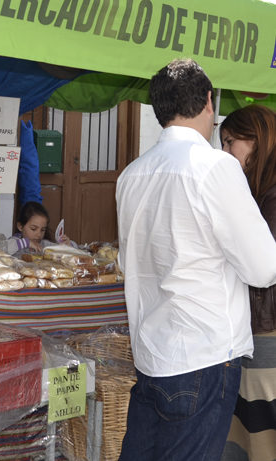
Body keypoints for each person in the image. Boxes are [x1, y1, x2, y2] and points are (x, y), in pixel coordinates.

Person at [116, 58, 276, 461]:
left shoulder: (131, 174)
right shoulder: (216, 167)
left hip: (151, 353)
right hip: (204, 357)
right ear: (209, 101)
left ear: (159, 111)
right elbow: (263, 268)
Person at [220, 105, 276, 461]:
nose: (225, 153)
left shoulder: (271, 198)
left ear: (255, 140)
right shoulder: (263, 191)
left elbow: (261, 268)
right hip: (259, 331)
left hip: (266, 333)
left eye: (229, 142)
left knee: (260, 441)